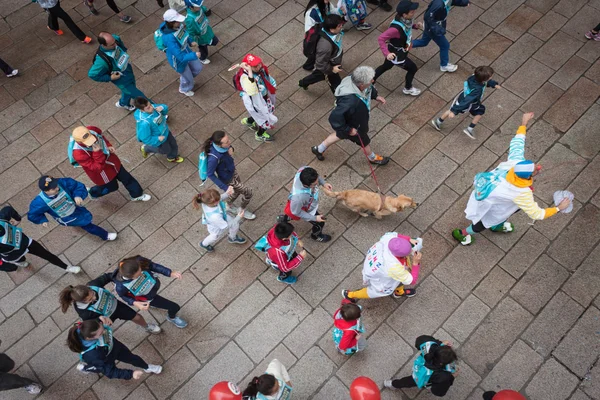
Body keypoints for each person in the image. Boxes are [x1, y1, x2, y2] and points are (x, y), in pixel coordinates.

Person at [452, 112, 572, 246]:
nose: (538, 167)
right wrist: (559, 208)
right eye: (535, 169)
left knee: (510, 211)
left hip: (489, 194)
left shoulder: (514, 163)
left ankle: (497, 225)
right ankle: (463, 233)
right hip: (494, 205)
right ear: (528, 176)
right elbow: (537, 214)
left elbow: (517, 143)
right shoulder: (521, 193)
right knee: (484, 223)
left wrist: (524, 123)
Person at [312, 65, 389, 165]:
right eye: (370, 80)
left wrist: (375, 96)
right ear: (361, 84)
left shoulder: (352, 79)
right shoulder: (351, 102)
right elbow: (334, 118)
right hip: (355, 125)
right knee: (364, 141)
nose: (373, 81)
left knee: (340, 134)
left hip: (349, 121)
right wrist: (349, 130)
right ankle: (372, 158)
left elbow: (368, 90)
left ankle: (319, 149)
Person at [69, 126, 151, 202]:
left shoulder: (92, 130)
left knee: (126, 177)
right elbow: (97, 168)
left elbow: (101, 136)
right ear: (79, 141)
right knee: (112, 187)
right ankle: (93, 192)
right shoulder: (78, 154)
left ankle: (137, 194)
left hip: (112, 162)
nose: (92, 142)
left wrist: (108, 145)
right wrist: (97, 152)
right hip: (103, 173)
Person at [59, 273, 161, 334]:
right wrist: (99, 319)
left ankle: (146, 327)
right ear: (82, 302)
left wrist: (119, 281)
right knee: (102, 332)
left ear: (89, 288)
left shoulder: (94, 285)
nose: (94, 297)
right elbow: (88, 322)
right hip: (104, 317)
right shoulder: (83, 311)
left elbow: (108, 276)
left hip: (116, 306)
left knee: (137, 317)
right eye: (90, 299)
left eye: (93, 294)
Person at [28, 175, 117, 242]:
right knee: (87, 225)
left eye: (56, 185)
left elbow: (76, 186)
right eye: (54, 188)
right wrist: (42, 220)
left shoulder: (61, 183)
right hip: (68, 217)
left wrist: (78, 195)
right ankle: (105, 235)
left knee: (83, 220)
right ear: (46, 191)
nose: (58, 188)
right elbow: (33, 214)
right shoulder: (40, 202)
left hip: (75, 208)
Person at [67, 319, 162, 379]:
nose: (104, 332)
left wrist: (102, 317)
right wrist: (131, 374)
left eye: (102, 328)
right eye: (100, 334)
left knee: (133, 358)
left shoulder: (90, 326)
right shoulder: (93, 356)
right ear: (89, 338)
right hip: (105, 359)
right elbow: (110, 372)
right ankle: (85, 368)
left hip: (116, 348)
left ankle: (147, 367)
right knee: (98, 368)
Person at [112, 255, 188, 328]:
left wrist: (169, 273)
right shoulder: (121, 286)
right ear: (130, 277)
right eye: (138, 276)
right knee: (175, 307)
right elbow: (123, 296)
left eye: (141, 270)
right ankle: (172, 317)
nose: (141, 273)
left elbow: (152, 266)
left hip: (152, 287)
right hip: (147, 298)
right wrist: (134, 302)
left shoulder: (139, 261)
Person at [0, 205, 81, 274]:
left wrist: (17, 219)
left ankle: (67, 267)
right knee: (21, 261)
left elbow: (7, 210)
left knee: (46, 254)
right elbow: (7, 209)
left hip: (26, 242)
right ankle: (24, 264)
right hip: (12, 254)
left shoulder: (1, 219)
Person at [342, 232, 422, 300]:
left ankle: (399, 292)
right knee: (373, 292)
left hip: (378, 267)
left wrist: (408, 239)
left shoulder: (388, 239)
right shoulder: (394, 266)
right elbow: (412, 281)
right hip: (383, 280)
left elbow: (394, 234)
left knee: (399, 282)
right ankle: (351, 295)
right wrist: (416, 263)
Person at [431, 66, 500, 139]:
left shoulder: (473, 77)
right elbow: (468, 100)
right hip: (469, 103)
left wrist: (493, 84)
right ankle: (469, 129)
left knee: (452, 109)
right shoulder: (477, 90)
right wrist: (454, 111)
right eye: (490, 77)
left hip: (462, 97)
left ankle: (438, 121)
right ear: (484, 79)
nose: (491, 77)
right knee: (479, 111)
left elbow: (485, 82)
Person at [203, 131, 257, 220]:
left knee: (236, 191)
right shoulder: (213, 158)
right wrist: (225, 187)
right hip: (228, 179)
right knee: (248, 192)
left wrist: (231, 149)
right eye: (227, 142)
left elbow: (228, 151)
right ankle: (241, 210)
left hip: (232, 171)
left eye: (228, 139)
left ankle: (228, 205)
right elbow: (210, 174)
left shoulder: (222, 147)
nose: (230, 142)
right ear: (219, 145)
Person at [89, 32, 148, 111]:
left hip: (127, 69)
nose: (115, 45)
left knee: (130, 88)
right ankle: (157, 111)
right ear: (104, 45)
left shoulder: (114, 39)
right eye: (112, 44)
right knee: (140, 97)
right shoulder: (100, 62)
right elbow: (92, 74)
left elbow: (118, 40)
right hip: (120, 78)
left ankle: (123, 103)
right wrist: (110, 77)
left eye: (114, 42)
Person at [374, 0, 423, 96]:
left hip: (398, 50)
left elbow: (407, 27)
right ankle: (408, 88)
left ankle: (370, 81)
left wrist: (415, 26)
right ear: (404, 14)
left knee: (386, 66)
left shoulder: (404, 19)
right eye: (412, 12)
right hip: (397, 55)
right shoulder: (394, 29)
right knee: (413, 68)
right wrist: (387, 53)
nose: (414, 13)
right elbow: (381, 39)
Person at [384, 335, 458, 397]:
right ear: (442, 364)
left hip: (419, 366)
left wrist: (441, 343)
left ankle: (392, 384)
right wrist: (452, 377)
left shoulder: (430, 348)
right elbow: (438, 392)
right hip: (423, 377)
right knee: (410, 382)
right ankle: (393, 384)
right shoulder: (443, 375)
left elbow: (420, 340)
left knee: (406, 381)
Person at [412, 0, 470, 73]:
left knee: (424, 42)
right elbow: (427, 17)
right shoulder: (438, 4)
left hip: (431, 26)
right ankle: (444, 65)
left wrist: (464, 2)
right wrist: (437, 29)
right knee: (445, 45)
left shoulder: (444, 1)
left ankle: (405, 45)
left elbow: (452, 2)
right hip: (433, 29)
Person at [159, 9, 204, 97]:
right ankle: (184, 88)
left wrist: (190, 42)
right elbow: (180, 56)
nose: (180, 23)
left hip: (186, 51)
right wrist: (194, 55)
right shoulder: (169, 38)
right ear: (171, 22)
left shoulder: (178, 26)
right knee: (188, 77)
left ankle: (186, 78)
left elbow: (184, 34)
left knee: (197, 68)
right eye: (177, 21)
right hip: (179, 61)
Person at [234, 54, 277, 142]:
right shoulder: (246, 78)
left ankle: (249, 121)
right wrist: (250, 71)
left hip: (263, 98)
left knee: (258, 114)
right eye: (254, 66)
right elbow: (251, 90)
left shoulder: (260, 70)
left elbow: (266, 77)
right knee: (264, 118)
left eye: (258, 64)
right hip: (257, 102)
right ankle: (259, 134)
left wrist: (272, 84)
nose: (258, 67)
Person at [283, 166, 333, 243]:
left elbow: (317, 176)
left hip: (305, 203)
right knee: (320, 223)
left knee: (292, 212)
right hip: (307, 208)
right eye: (315, 184)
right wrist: (314, 218)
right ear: (307, 185)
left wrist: (324, 183)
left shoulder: (303, 169)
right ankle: (316, 235)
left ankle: (284, 219)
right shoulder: (299, 198)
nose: (317, 183)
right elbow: (296, 212)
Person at [299, 14, 345, 93]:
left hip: (329, 59)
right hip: (329, 64)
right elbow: (321, 64)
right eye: (339, 25)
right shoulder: (325, 47)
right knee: (336, 83)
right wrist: (331, 69)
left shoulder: (326, 30)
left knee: (318, 75)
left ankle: (304, 82)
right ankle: (340, 98)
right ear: (332, 30)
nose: (341, 26)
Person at [134, 97, 184, 163]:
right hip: (159, 138)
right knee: (165, 150)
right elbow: (144, 137)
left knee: (173, 144)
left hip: (165, 131)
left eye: (150, 105)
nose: (152, 107)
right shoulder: (144, 123)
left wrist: (163, 108)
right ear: (142, 110)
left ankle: (172, 157)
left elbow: (164, 110)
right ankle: (146, 148)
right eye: (148, 108)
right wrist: (157, 139)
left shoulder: (152, 107)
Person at [303, 0, 343, 70]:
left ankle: (309, 65)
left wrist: (339, 12)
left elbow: (332, 12)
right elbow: (309, 31)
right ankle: (309, 66)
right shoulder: (311, 13)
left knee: (316, 56)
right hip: (317, 38)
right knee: (315, 54)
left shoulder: (327, 4)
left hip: (325, 33)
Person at [184, 0, 218, 64]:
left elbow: (203, 8)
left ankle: (207, 44)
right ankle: (202, 58)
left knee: (215, 41)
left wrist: (205, 9)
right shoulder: (190, 19)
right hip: (201, 38)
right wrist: (192, 41)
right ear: (191, 7)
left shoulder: (199, 8)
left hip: (207, 30)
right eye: (197, 6)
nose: (199, 7)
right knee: (203, 49)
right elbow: (190, 31)